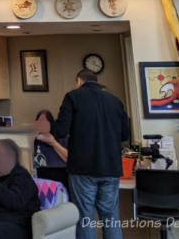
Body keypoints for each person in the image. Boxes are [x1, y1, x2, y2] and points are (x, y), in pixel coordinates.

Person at [52, 70, 130, 239]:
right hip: (110, 169)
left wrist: (49, 121)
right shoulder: (115, 101)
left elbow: (61, 131)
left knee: (85, 218)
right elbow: (125, 134)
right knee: (111, 218)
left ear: (79, 81)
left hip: (83, 169)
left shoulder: (73, 97)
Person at [33, 110, 69, 192]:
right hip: (41, 179)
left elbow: (70, 160)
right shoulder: (33, 141)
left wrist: (53, 142)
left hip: (61, 179)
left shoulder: (62, 138)